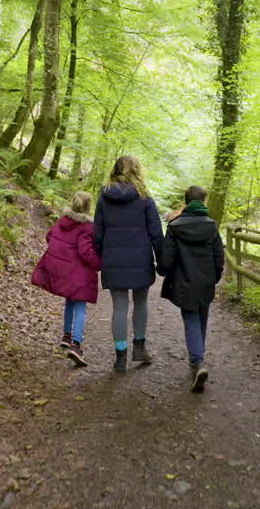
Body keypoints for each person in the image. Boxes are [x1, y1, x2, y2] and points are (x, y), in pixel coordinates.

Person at [94, 155, 163, 372]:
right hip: (140, 259)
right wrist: (162, 259)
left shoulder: (104, 198)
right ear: (137, 171)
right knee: (141, 303)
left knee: (119, 307)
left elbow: (97, 233)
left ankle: (120, 357)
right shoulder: (145, 198)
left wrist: (101, 256)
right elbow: (156, 233)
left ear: (115, 170)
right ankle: (139, 348)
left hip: (113, 259)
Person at [159, 185, 224, 392]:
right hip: (205, 281)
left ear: (186, 202)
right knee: (201, 316)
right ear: (203, 202)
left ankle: (197, 362)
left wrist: (162, 271)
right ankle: (198, 360)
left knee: (191, 318)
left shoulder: (175, 226)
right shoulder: (211, 226)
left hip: (184, 281)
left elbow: (166, 260)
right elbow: (218, 257)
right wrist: (214, 277)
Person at [31, 191, 101, 366]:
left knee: (69, 302)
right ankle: (76, 345)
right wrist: (100, 263)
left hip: (65, 273)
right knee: (80, 307)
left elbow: (49, 237)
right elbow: (85, 252)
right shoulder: (87, 227)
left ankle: (66, 336)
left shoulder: (61, 222)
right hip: (80, 274)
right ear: (88, 207)